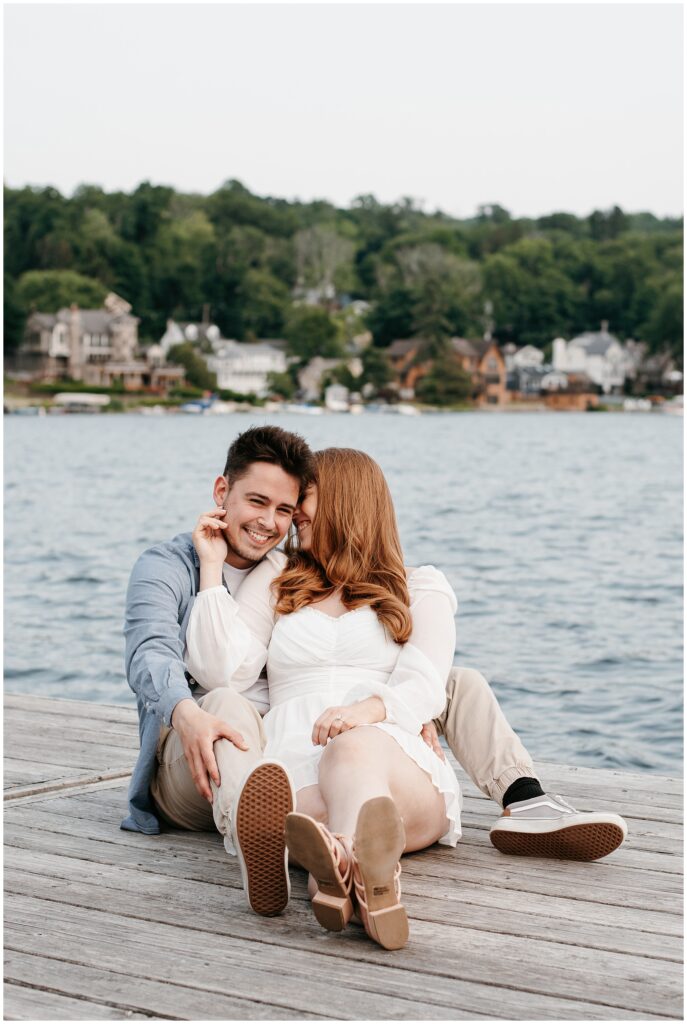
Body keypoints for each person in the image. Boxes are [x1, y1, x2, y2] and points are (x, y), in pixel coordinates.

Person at [122, 425, 627, 924]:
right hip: (291, 755)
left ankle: (524, 803)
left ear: (348, 511)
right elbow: (221, 673)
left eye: (301, 514)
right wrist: (211, 572)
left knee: (361, 743)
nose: (292, 527)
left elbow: (428, 682)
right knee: (303, 813)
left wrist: (374, 711)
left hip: (384, 751)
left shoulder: (419, 588)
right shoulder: (275, 578)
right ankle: (349, 876)